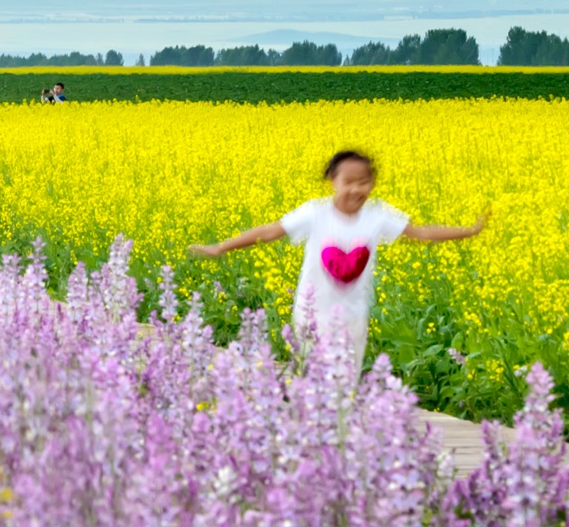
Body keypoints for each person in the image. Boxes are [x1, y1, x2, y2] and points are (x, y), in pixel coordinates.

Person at [188, 149, 487, 383]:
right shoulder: (315, 213)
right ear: (333, 181)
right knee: (312, 382)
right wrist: (221, 247)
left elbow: (421, 233)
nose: (357, 189)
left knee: (345, 387)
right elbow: (269, 232)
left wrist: (470, 231)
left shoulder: (377, 216)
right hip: (311, 315)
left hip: (353, 319)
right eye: (349, 182)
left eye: (364, 181)